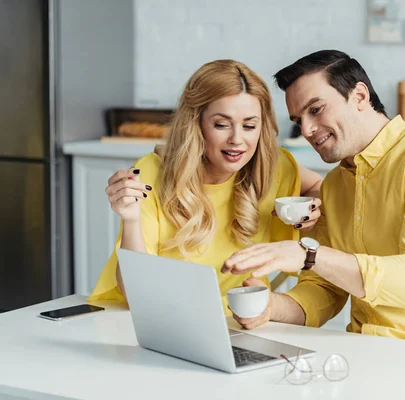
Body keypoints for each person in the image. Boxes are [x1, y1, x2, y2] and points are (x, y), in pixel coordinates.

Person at [221, 50, 405, 400]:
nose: (305, 129)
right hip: (370, 364)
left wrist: (309, 254)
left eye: (316, 109)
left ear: (359, 97)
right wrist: (271, 308)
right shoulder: (337, 185)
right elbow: (324, 289)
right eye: (298, 118)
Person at [88, 59, 324, 315]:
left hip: (238, 321)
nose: (237, 140)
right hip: (156, 317)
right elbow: (136, 294)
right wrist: (130, 219)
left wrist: (310, 208)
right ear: (196, 124)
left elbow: (319, 185)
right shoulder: (151, 173)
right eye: (221, 124)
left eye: (249, 126)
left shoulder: (273, 166)